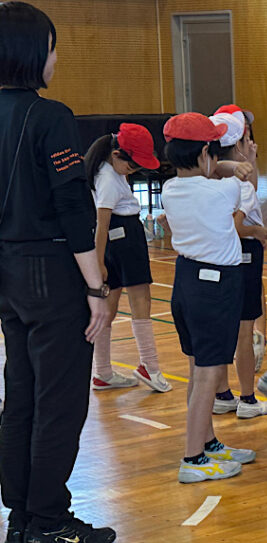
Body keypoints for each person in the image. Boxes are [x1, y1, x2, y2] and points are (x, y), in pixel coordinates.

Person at [0, 1, 116, 543]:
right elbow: (72, 205)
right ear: (31, 52)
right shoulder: (49, 117)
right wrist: (95, 287)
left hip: (7, 273)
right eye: (51, 47)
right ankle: (48, 520)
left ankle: (22, 519)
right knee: (60, 401)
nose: (55, 59)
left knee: (21, 394)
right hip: (50, 272)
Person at [161, 113, 257, 483]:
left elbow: (214, 171)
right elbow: (242, 179)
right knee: (208, 373)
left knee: (198, 370)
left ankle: (208, 442)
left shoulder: (170, 189)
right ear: (205, 153)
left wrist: (222, 164)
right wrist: (239, 163)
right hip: (215, 287)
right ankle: (193, 458)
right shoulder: (223, 191)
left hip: (186, 280)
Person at [85, 122, 171, 393]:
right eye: (132, 166)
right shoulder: (109, 179)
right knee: (140, 299)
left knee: (110, 307)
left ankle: (102, 372)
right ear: (116, 155)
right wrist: (98, 263)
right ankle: (149, 365)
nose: (133, 171)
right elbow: (101, 224)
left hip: (117, 239)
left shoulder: (107, 169)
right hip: (125, 239)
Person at [207, 111, 267, 419]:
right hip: (243, 254)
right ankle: (248, 398)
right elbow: (234, 226)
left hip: (214, 257)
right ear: (239, 145)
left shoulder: (206, 181)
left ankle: (222, 393)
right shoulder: (238, 186)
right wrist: (257, 231)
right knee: (243, 332)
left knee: (221, 327)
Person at [215, 103, 266, 369]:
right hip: (241, 245)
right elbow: (237, 220)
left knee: (253, 295)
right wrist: (257, 230)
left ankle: (257, 339)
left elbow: (251, 191)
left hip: (224, 251)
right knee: (243, 314)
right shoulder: (233, 184)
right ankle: (248, 347)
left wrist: (251, 162)